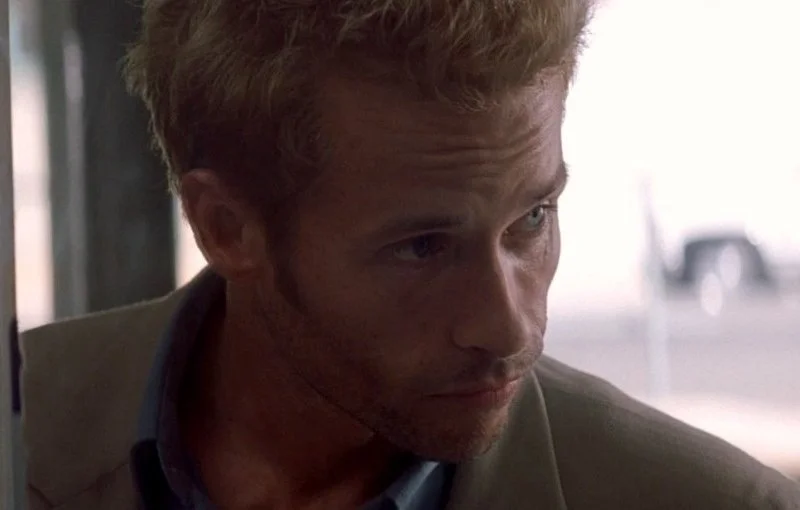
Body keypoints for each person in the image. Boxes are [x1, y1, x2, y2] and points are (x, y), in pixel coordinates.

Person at [21, 1, 800, 509]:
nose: (509, 328)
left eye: (532, 218)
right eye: (423, 247)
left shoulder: (709, 500)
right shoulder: (25, 433)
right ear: (226, 227)